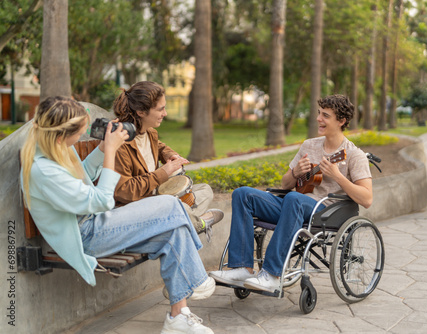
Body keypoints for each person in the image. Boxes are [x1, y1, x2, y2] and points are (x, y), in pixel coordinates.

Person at [20, 96, 215, 334]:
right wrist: (111, 151)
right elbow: (101, 201)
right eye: (79, 133)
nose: (82, 137)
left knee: (172, 231)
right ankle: (197, 280)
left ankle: (177, 318)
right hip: (86, 237)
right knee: (171, 205)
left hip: (95, 225)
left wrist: (102, 148)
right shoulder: (44, 171)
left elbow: (82, 175)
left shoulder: (52, 149)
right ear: (61, 136)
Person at [209, 94, 373, 293]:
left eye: (325, 116)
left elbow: (366, 199)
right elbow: (285, 184)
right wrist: (296, 172)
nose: (318, 119)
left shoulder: (353, 154)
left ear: (341, 121)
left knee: (294, 198)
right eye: (319, 113)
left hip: (324, 212)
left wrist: (338, 176)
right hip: (292, 207)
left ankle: (271, 274)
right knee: (242, 194)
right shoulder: (309, 145)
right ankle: (242, 268)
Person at [112, 81, 223, 238]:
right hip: (136, 208)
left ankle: (178, 221)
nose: (165, 113)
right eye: (161, 109)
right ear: (141, 112)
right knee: (178, 207)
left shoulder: (149, 133)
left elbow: (158, 146)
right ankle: (198, 223)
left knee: (205, 190)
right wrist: (163, 172)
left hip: (156, 198)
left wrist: (168, 154)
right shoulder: (120, 142)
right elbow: (124, 192)